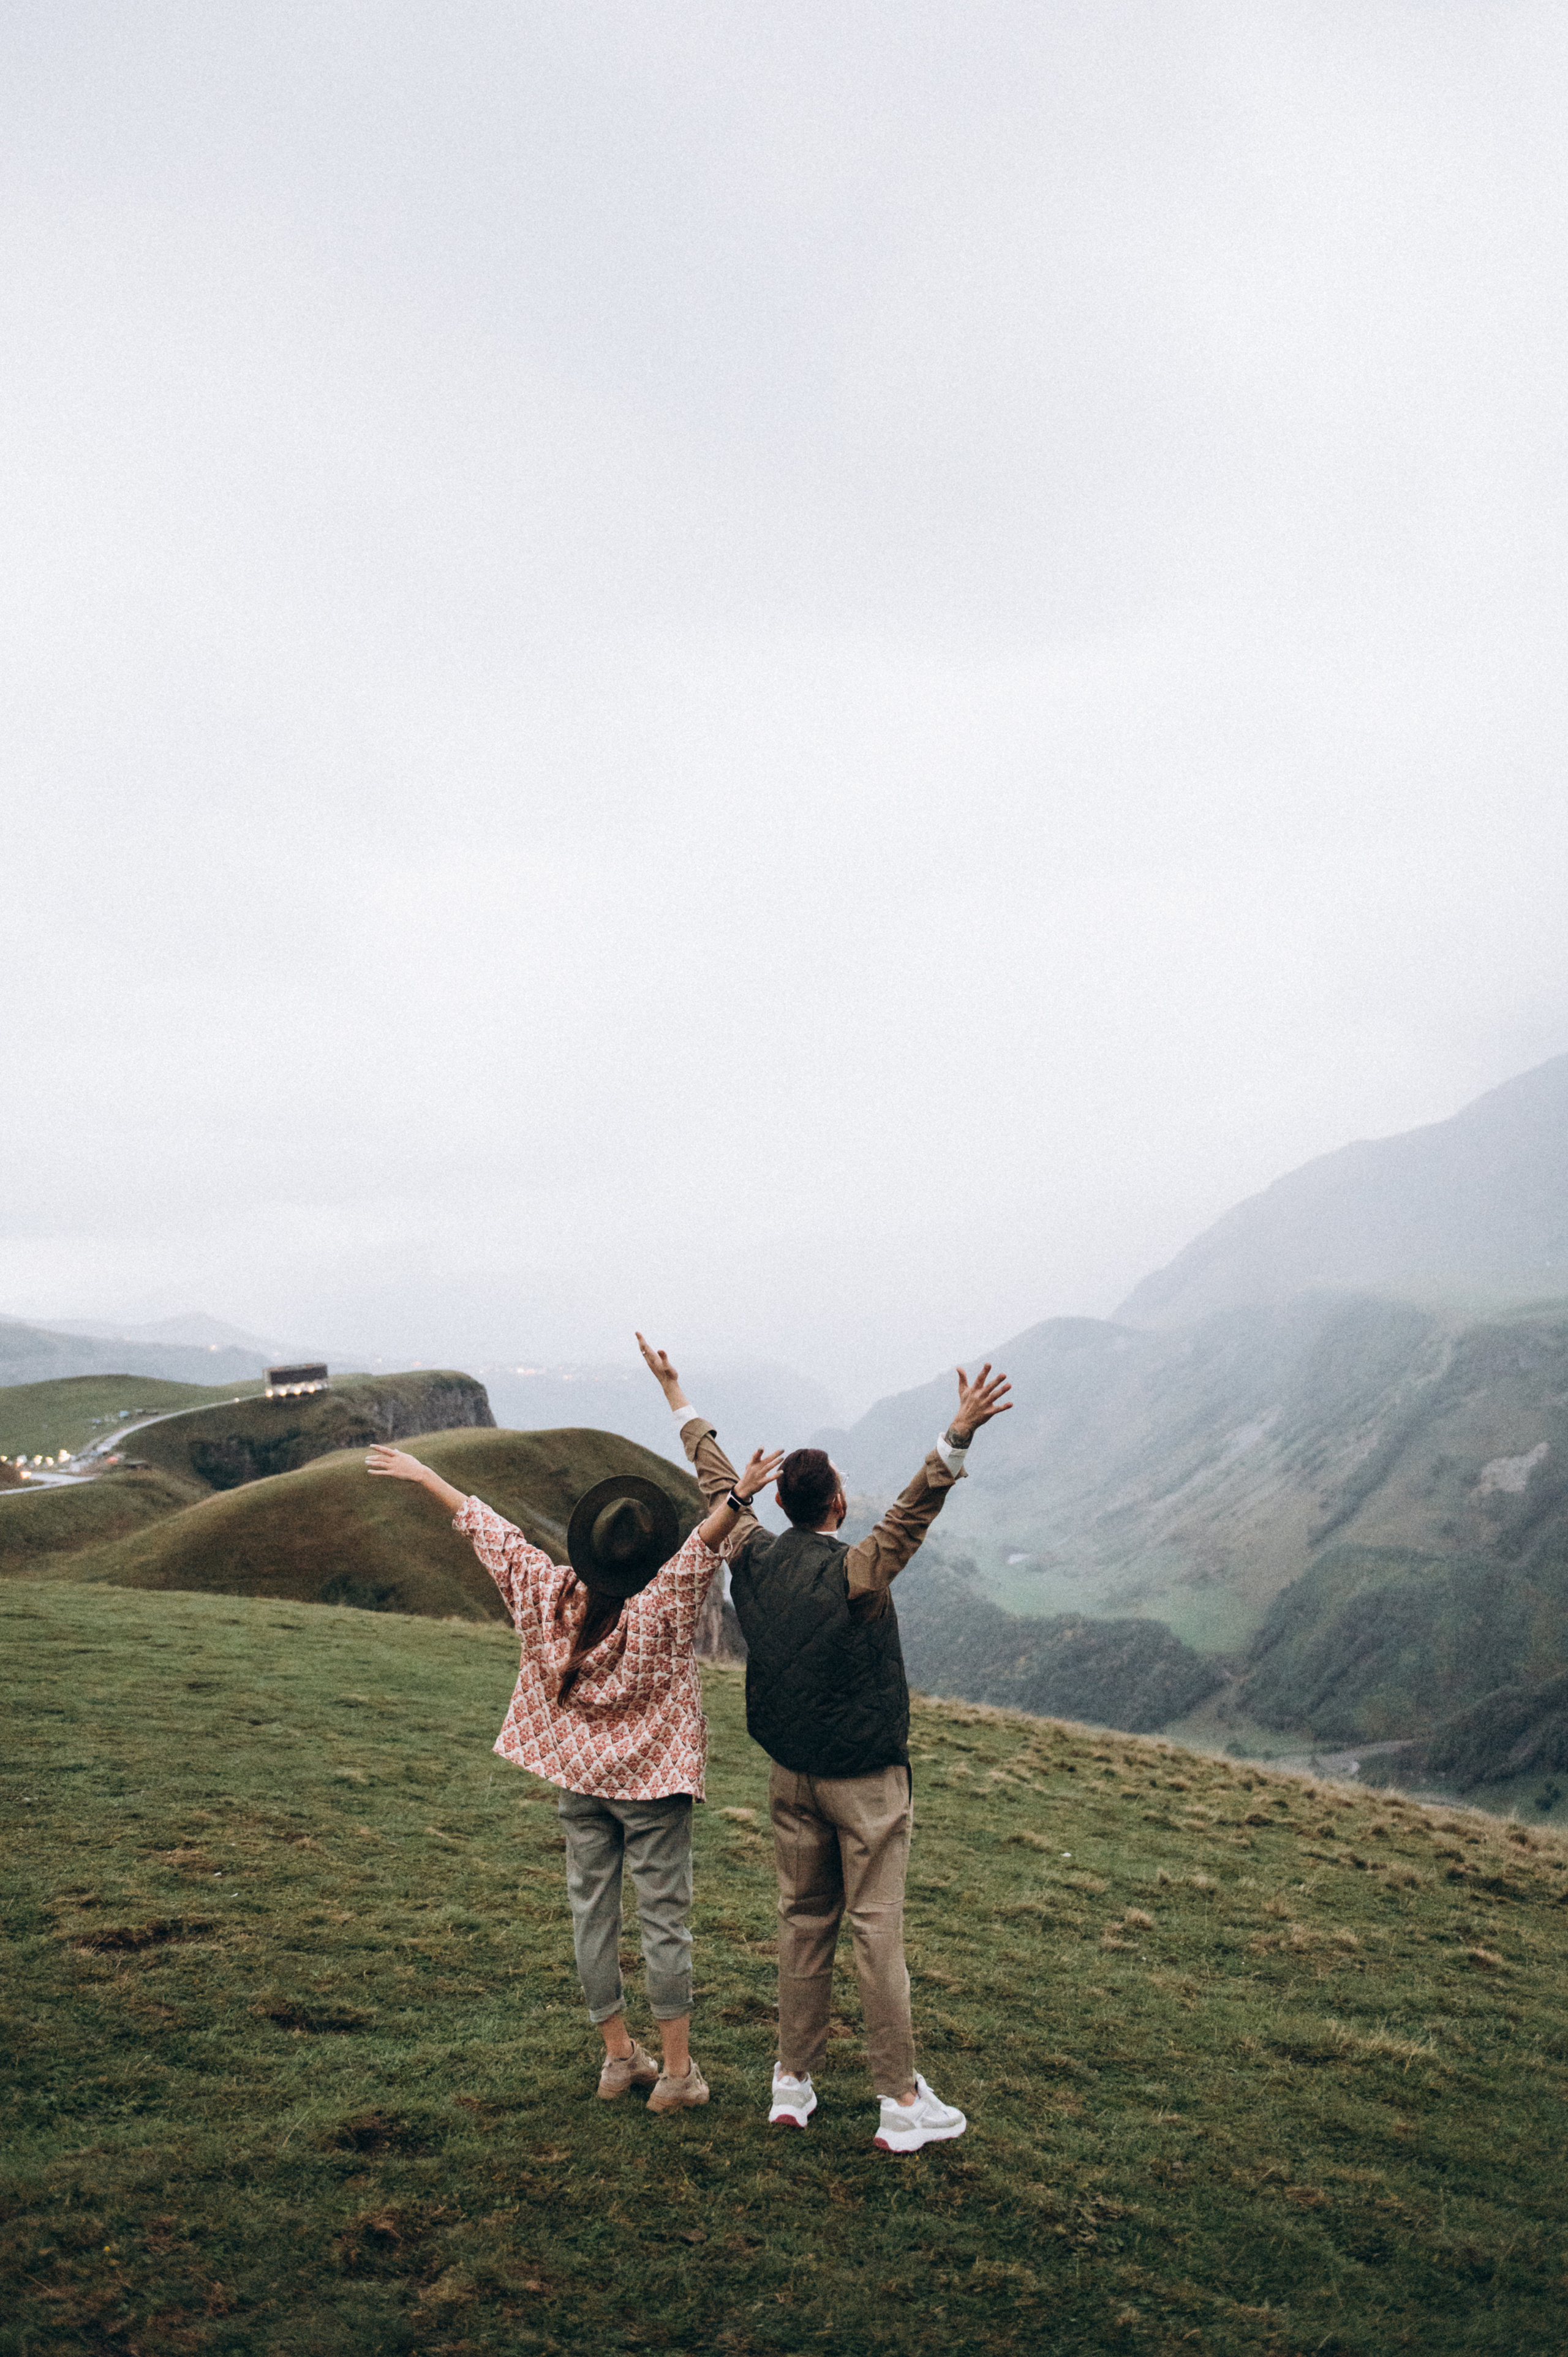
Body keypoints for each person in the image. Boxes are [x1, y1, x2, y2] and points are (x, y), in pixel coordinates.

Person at [635, 1333, 1011, 2153]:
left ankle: (793, 2080)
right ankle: (900, 2100)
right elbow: (913, 1510)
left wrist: (676, 1395)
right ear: (836, 1503)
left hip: (790, 1776)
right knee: (876, 1932)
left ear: (778, 1502)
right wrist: (959, 1432)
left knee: (803, 1923)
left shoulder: (751, 1553)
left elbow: (717, 1484)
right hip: (866, 1783)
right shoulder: (858, 1571)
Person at [366, 1432, 782, 2113]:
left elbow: (492, 1534)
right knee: (664, 1921)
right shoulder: (661, 1605)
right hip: (653, 1785)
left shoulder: (549, 1592)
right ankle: (677, 2074)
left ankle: (619, 2057)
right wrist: (738, 1497)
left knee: (592, 1914)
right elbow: (700, 1549)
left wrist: (424, 1475)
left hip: (579, 1781)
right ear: (647, 1557)